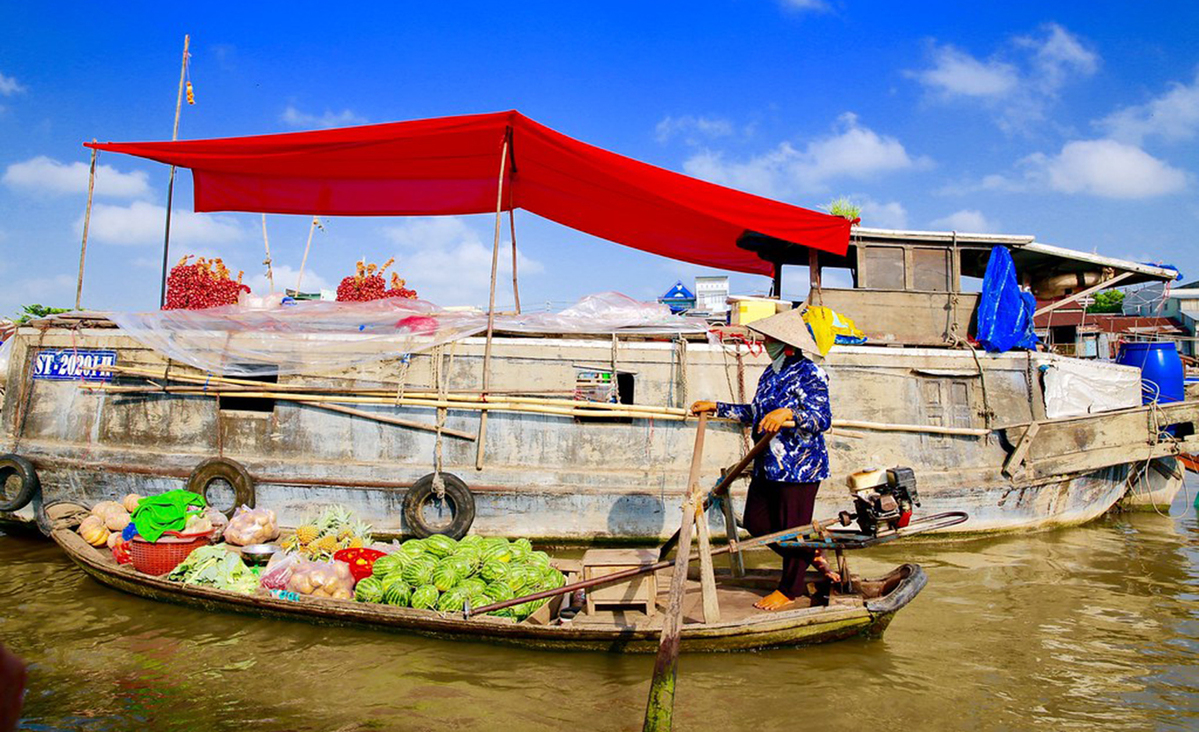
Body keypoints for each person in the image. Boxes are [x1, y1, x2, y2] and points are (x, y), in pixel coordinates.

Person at [691, 307, 838, 611]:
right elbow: (756, 414)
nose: (765, 343)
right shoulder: (771, 374)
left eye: (769, 339)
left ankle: (790, 589)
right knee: (757, 523)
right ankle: (809, 555)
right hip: (768, 463)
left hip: (800, 468)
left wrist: (789, 414)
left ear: (785, 343)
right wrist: (717, 407)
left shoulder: (810, 373)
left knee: (792, 529)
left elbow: (821, 418)